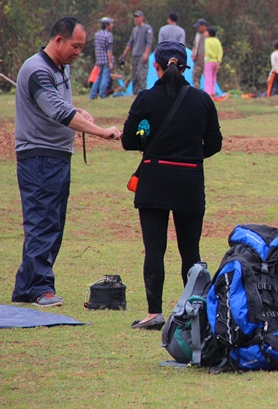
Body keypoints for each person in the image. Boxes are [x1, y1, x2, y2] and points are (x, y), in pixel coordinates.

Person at [12, 17, 121, 307]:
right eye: (76, 46)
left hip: (57, 155)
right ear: (58, 40)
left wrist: (78, 111)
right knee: (42, 223)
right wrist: (100, 132)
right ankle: (40, 288)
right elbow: (58, 112)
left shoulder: (61, 67)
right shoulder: (37, 70)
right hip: (39, 157)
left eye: (82, 47)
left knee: (52, 223)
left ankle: (25, 287)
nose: (78, 52)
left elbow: (59, 106)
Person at [121, 40, 222, 330]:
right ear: (186, 66)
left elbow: (129, 141)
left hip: (153, 179)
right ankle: (193, 314)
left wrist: (148, 141)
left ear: (157, 67)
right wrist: (190, 155)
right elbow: (214, 144)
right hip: (189, 180)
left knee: (154, 249)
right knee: (190, 251)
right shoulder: (203, 100)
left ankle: (154, 313)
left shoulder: (145, 99)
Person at [121, 10, 153, 94]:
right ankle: (135, 93)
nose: (136, 19)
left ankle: (144, 92)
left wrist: (146, 53)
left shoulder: (147, 28)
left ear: (142, 18)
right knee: (134, 75)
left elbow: (149, 42)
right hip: (134, 55)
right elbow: (130, 43)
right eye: (135, 17)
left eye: (138, 17)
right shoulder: (134, 30)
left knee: (141, 75)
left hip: (142, 55)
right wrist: (124, 54)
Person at [89, 17, 114, 100]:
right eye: (111, 23)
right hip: (106, 59)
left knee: (98, 77)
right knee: (105, 77)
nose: (112, 25)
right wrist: (110, 62)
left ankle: (92, 95)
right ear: (107, 25)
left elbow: (96, 47)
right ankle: (102, 94)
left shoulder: (97, 34)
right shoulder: (109, 35)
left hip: (99, 59)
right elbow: (109, 50)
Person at [203, 26, 223, 96]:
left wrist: (214, 56)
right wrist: (218, 60)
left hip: (209, 61)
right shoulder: (217, 41)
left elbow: (208, 51)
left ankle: (208, 93)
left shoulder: (207, 41)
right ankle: (213, 92)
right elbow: (220, 51)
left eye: (206, 31)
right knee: (213, 78)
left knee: (208, 77)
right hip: (216, 62)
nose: (205, 33)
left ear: (209, 33)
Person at [191, 18, 207, 89]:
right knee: (195, 77)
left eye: (199, 27)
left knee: (208, 78)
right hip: (197, 61)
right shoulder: (197, 35)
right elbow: (195, 45)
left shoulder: (209, 35)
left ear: (204, 26)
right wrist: (193, 53)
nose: (198, 28)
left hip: (206, 60)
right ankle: (197, 91)